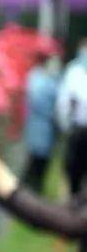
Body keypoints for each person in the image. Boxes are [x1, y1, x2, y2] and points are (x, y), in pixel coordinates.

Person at [23, 52, 61, 193]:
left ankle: (34, 192)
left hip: (45, 127)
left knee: (41, 162)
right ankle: (28, 192)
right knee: (34, 160)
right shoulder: (38, 78)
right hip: (39, 124)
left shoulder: (51, 80)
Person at [56, 39, 87, 195]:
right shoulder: (74, 71)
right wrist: (65, 125)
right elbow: (63, 102)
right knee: (74, 171)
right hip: (78, 129)